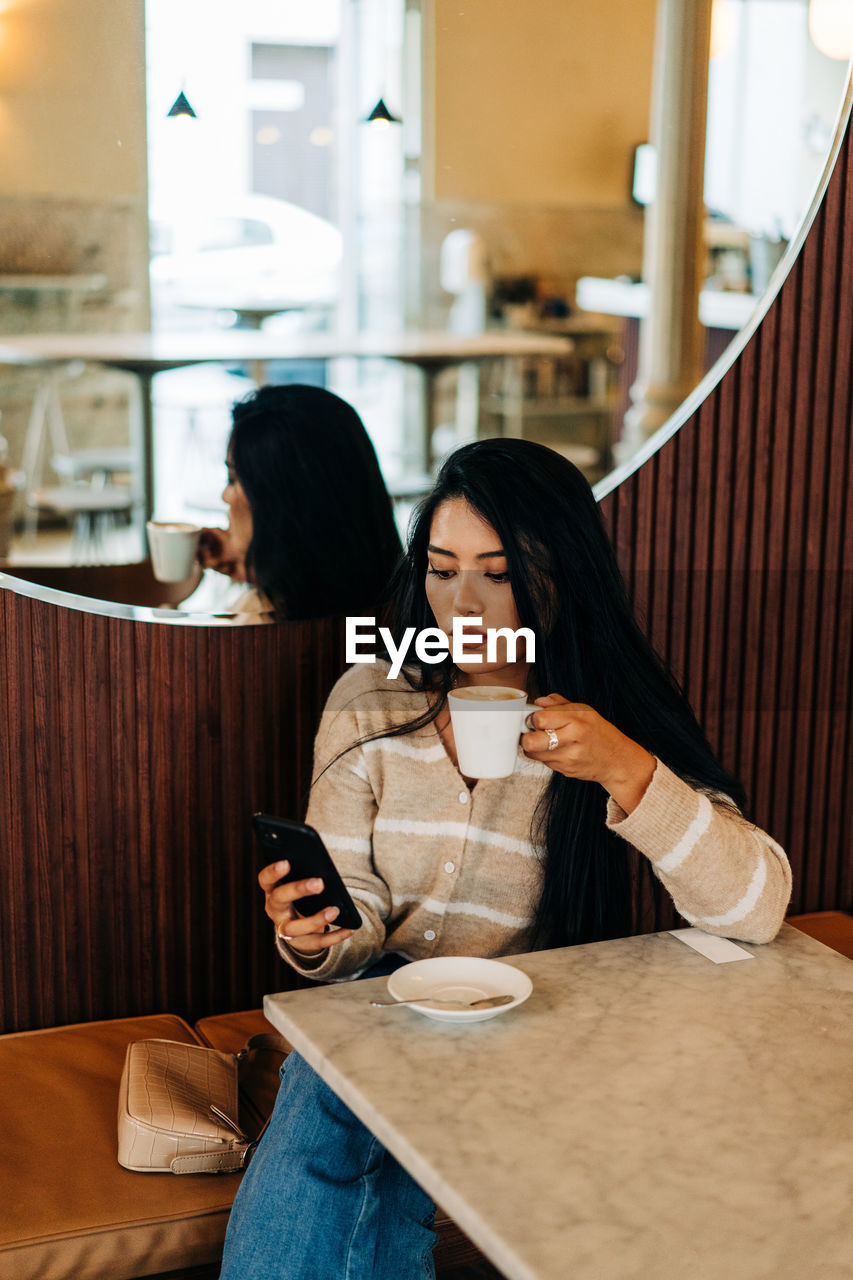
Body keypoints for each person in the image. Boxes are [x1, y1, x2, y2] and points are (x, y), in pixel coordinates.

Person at [219, 438, 791, 1279]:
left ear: (561, 575)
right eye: (442, 571)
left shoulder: (608, 721)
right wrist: (316, 933)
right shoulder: (370, 700)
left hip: (538, 1031)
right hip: (380, 1014)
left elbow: (755, 907)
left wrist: (625, 770)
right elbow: (355, 921)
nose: (464, 606)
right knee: (330, 1095)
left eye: (497, 573)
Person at [197, 383, 402, 619]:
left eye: (233, 479)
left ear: (276, 504)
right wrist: (249, 562)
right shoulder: (408, 602)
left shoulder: (252, 622)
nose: (225, 496)